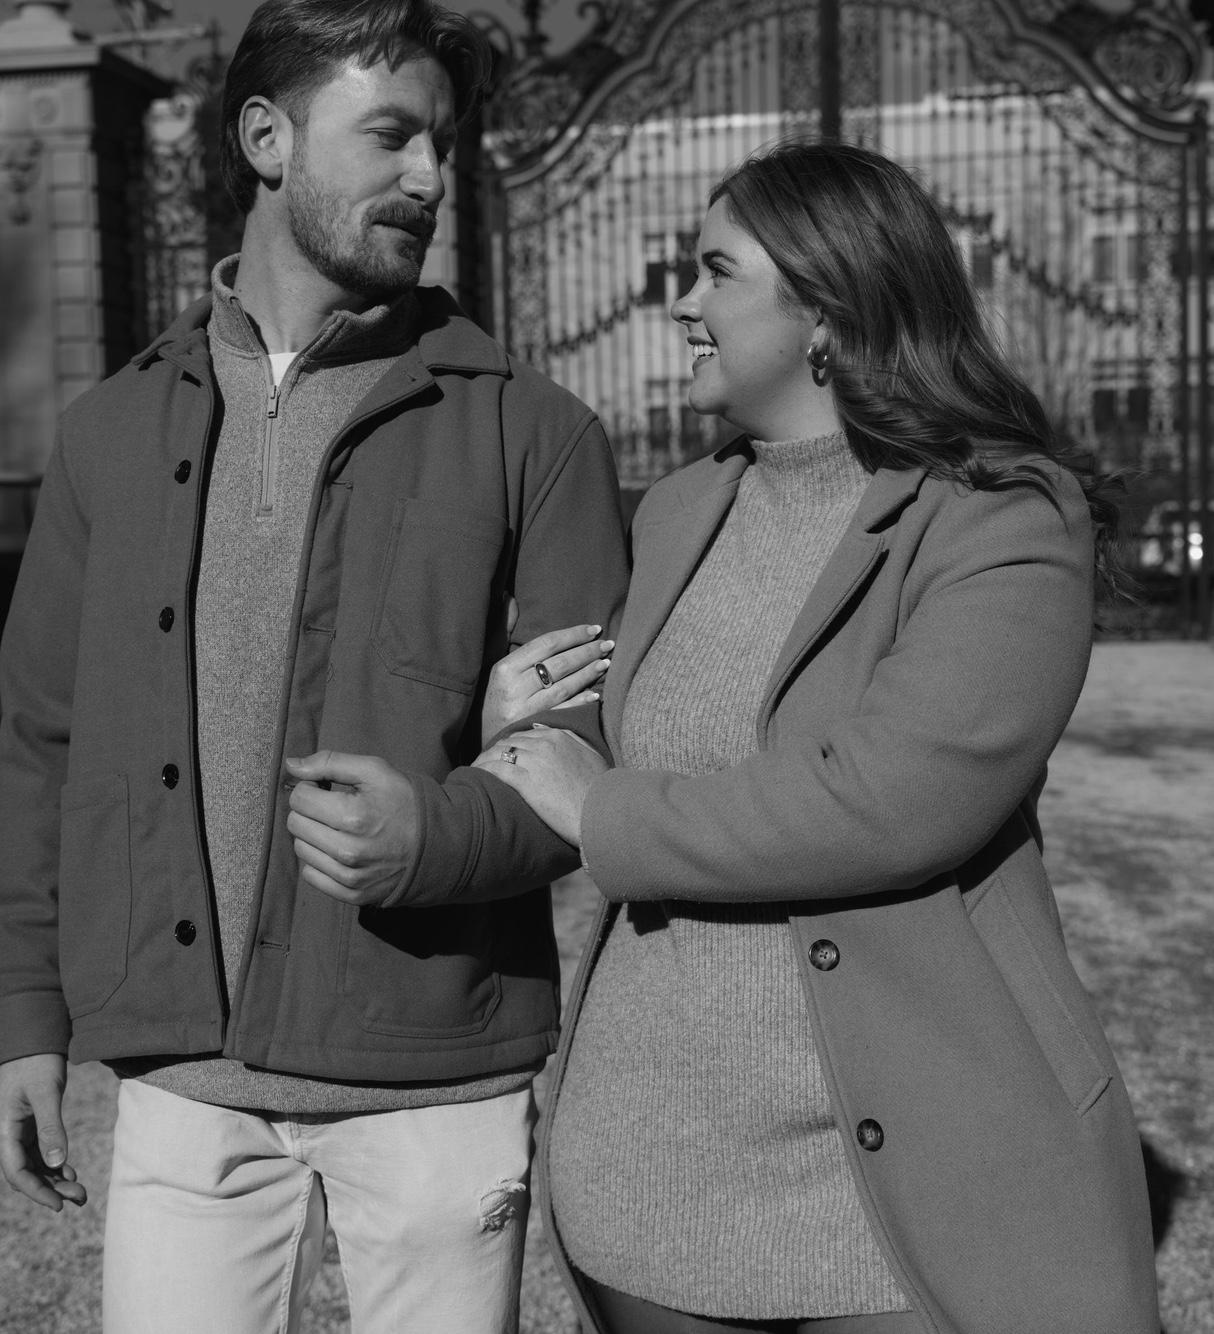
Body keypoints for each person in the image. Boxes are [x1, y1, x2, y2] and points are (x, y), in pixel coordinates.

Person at [0, 3, 627, 1331]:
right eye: (390, 136)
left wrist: (434, 835)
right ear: (266, 140)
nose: (429, 177)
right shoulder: (108, 434)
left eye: (440, 143)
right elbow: (45, 742)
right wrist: (24, 1011)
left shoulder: (536, 433)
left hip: (434, 1079)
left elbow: (592, 741)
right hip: (181, 1087)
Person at [479, 140, 1159, 1334]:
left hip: (908, 1181)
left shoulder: (1001, 516)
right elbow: (638, 743)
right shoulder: (678, 507)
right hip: (647, 1165)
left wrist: (602, 810)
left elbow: (889, 798)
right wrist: (523, 717)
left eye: (714, 271)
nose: (680, 302)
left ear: (827, 311)